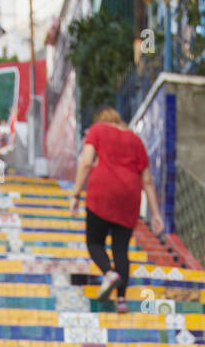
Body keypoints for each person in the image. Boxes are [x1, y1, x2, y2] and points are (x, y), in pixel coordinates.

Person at [69, 106, 164, 311]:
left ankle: (109, 273)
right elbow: (147, 181)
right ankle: (121, 301)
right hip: (130, 198)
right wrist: (156, 215)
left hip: (102, 192)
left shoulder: (97, 130)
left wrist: (76, 194)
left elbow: (86, 163)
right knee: (121, 250)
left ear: (101, 119)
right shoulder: (137, 141)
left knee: (94, 243)